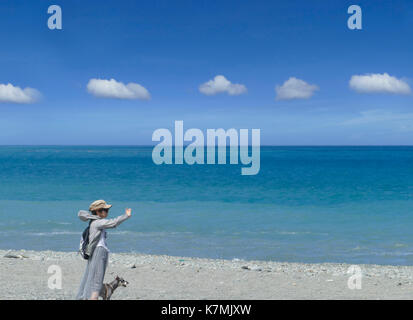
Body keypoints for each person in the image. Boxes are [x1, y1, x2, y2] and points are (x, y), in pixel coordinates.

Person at [76, 200, 131, 300]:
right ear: (98, 211)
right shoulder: (97, 222)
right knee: (96, 281)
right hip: (98, 252)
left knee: (95, 280)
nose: (107, 212)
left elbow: (111, 224)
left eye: (107, 210)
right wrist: (126, 216)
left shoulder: (95, 222)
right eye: (105, 210)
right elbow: (113, 222)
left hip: (99, 252)